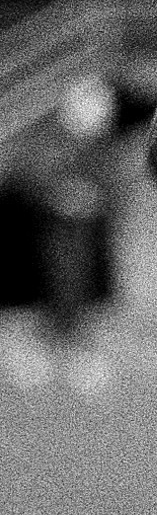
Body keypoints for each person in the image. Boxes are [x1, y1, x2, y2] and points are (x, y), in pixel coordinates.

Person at [2, 74, 128, 396]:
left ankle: (74, 350)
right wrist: (57, 194)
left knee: (78, 294)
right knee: (37, 294)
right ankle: (41, 350)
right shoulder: (42, 141)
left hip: (80, 233)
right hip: (38, 230)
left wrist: (88, 196)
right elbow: (24, 178)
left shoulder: (100, 149)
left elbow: (110, 186)